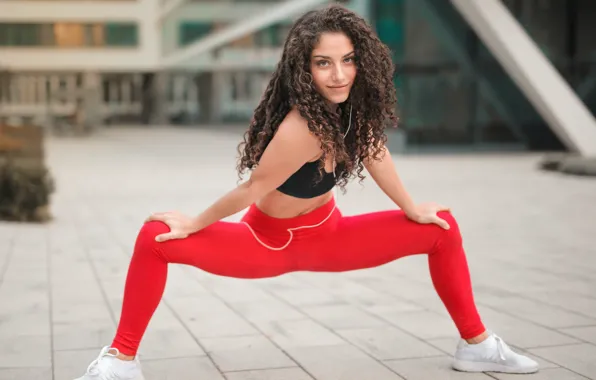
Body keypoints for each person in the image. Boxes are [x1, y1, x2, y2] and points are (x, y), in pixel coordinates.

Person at [75, 5, 539, 379]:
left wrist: (411, 208)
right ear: (305, 68)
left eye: (348, 60)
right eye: (324, 63)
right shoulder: (301, 127)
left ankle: (476, 346)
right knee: (155, 237)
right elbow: (253, 187)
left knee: (442, 228)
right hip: (268, 243)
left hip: (329, 235)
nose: (338, 74)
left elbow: (376, 153)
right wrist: (194, 224)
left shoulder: (355, 109)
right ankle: (120, 358)